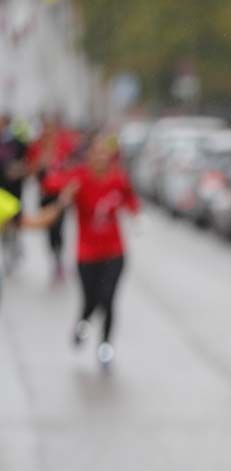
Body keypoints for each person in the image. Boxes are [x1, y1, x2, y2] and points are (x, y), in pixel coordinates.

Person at [23, 134, 140, 370]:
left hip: (114, 251)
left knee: (108, 298)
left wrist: (136, 215)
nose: (100, 157)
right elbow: (49, 184)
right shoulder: (79, 177)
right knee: (91, 299)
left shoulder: (118, 178)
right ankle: (83, 322)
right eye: (96, 153)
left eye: (104, 153)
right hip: (87, 253)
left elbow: (131, 200)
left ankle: (105, 346)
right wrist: (62, 192)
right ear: (89, 156)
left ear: (109, 156)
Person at [27, 114, 81, 283]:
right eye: (46, 131)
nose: (49, 135)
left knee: (60, 228)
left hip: (60, 195)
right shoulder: (36, 148)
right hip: (45, 195)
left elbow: (72, 166)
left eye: (52, 131)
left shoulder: (63, 147)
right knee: (49, 230)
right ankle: (54, 259)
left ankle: (60, 260)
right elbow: (33, 172)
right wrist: (41, 163)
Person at [0, 114, 29, 272]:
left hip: (14, 190)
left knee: (15, 222)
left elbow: (27, 163)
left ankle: (15, 248)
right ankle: (7, 252)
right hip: (1, 190)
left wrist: (18, 170)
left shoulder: (18, 142)